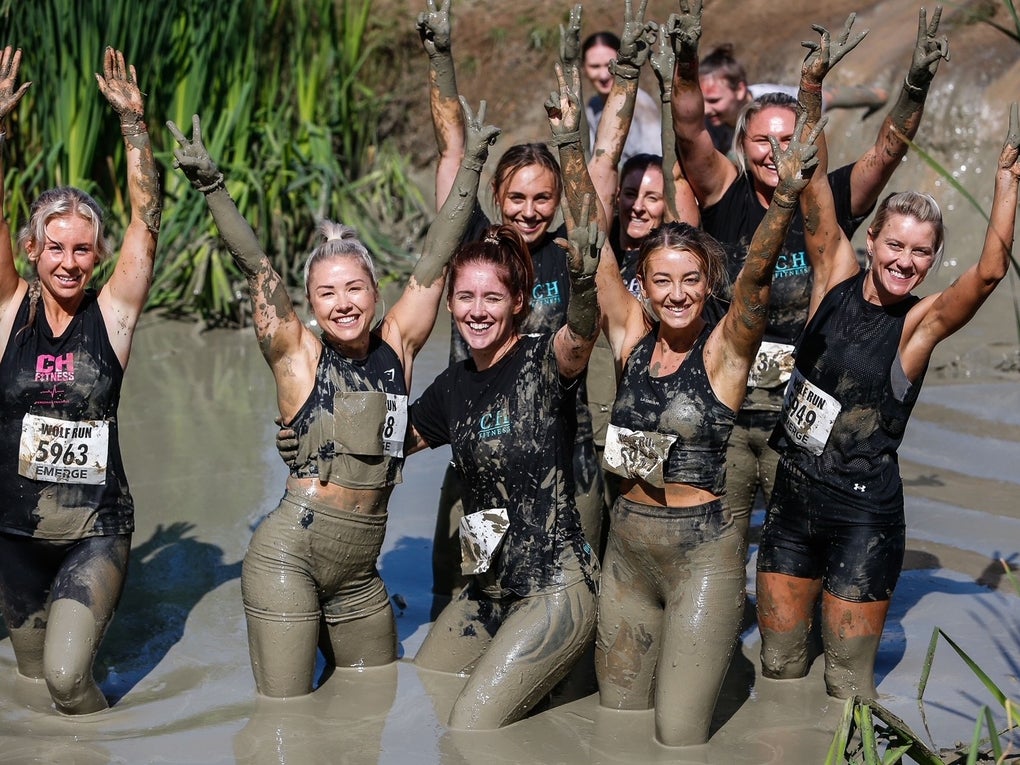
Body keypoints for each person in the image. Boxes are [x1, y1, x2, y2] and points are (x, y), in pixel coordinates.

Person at [167, 99, 499, 698]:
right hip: (289, 556)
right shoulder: (299, 355)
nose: (343, 302)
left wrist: (472, 164)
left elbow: (439, 254)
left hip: (359, 575)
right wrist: (214, 188)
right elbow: (255, 266)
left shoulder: (399, 343)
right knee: (288, 719)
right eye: (327, 293)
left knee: (375, 696)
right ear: (311, 304)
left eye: (354, 288)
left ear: (376, 292)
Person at [581, 91, 822, 745]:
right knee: (616, 726)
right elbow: (594, 241)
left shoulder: (726, 352)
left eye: (690, 279)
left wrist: (780, 203)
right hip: (628, 561)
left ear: (706, 280)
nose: (678, 293)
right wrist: (580, 146)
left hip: (702, 561)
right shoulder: (630, 335)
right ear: (645, 287)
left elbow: (758, 278)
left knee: (678, 736)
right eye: (662, 281)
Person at [757, 102, 1020, 701]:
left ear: (931, 261)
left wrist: (1007, 184)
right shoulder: (834, 275)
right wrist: (812, 86)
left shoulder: (917, 328)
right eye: (895, 245)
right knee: (778, 668)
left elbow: (987, 273)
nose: (905, 261)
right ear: (871, 239)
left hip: (862, 517)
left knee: (846, 683)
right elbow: (816, 195)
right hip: (793, 500)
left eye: (921, 253)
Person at [669, 3, 949, 542]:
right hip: (727, 394)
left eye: (789, 138)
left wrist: (914, 87)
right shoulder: (724, 194)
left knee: (795, 545)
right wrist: (686, 59)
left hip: (803, 405)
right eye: (762, 141)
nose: (777, 152)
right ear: (742, 146)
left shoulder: (830, 200)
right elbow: (688, 129)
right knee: (715, 543)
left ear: (807, 141)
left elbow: (888, 152)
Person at [418, 0, 603, 610]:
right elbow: (451, 151)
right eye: (516, 196)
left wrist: (572, 120)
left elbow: (589, 188)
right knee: (465, 596)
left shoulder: (569, 255)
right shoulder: (469, 242)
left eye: (542, 199)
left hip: (558, 458)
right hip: (477, 447)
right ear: (496, 194)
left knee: (559, 597)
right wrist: (441, 60)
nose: (528, 210)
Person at [0, 46, 160, 714]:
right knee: (35, 683)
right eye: (55, 247)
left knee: (68, 681)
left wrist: (134, 131)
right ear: (31, 250)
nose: (69, 262)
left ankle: (105, 742)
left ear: (96, 255)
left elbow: (146, 226)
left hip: (94, 526)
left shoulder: (113, 314)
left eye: (82, 248)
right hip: (13, 533)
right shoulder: (10, 310)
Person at [405, 191, 604, 728]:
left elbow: (581, 336)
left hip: (554, 588)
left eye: (492, 298)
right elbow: (390, 446)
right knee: (421, 682)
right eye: (465, 297)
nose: (477, 310)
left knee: (469, 730)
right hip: (488, 588)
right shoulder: (451, 387)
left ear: (519, 301)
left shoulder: (543, 359)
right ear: (450, 305)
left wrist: (584, 282)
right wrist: (309, 433)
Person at [699, 42, 888, 155]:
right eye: (703, 101)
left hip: (801, 104)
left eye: (714, 101)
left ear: (740, 90)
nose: (706, 110)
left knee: (828, 97)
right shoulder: (712, 118)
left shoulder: (767, 109)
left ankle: (878, 96)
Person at [582, 27, 662, 163]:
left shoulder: (640, 104)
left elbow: (657, 160)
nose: (603, 75)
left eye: (610, 65)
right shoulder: (593, 105)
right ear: (583, 68)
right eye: (595, 66)